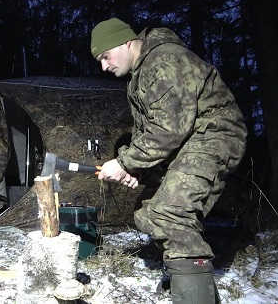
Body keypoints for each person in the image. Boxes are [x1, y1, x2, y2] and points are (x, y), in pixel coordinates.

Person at [91, 17, 247, 303]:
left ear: (125, 41)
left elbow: (167, 129)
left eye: (105, 56)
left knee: (170, 212)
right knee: (147, 211)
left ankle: (192, 294)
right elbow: (151, 134)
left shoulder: (163, 60)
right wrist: (137, 169)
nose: (104, 66)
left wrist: (125, 162)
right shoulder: (138, 78)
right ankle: (187, 277)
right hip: (190, 139)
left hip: (214, 135)